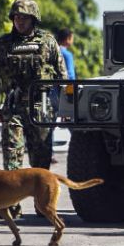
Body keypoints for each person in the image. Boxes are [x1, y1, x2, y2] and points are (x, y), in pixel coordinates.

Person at [0, 0, 68, 219]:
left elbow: (62, 77)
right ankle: (11, 207)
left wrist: (65, 108)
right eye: (17, 17)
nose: (20, 21)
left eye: (25, 17)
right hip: (12, 108)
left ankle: (43, 206)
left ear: (34, 19)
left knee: (41, 161)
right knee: (12, 157)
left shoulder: (48, 42)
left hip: (41, 108)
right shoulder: (2, 44)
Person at [50, 28, 76, 164]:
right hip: (64, 92)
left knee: (50, 125)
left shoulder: (51, 52)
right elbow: (70, 76)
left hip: (50, 93)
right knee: (73, 124)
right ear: (67, 39)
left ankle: (50, 154)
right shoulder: (66, 54)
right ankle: (77, 150)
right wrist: (70, 97)